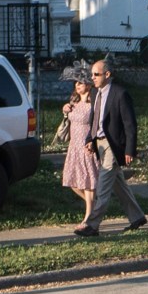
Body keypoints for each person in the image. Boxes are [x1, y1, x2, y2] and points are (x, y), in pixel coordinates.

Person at [77, 57, 146, 237]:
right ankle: (137, 216)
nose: (92, 78)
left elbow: (130, 125)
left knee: (103, 186)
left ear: (107, 74)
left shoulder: (119, 94)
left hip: (113, 146)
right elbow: (94, 120)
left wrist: (130, 150)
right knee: (118, 183)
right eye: (91, 74)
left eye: (96, 74)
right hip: (99, 143)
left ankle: (92, 225)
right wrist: (89, 139)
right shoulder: (95, 93)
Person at [58, 79, 102, 230]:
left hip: (86, 146)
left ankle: (88, 218)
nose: (77, 86)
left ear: (89, 86)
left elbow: (97, 124)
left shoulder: (94, 103)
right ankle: (95, 207)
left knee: (88, 182)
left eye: (81, 83)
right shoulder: (73, 102)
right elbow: (68, 120)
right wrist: (65, 111)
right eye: (76, 83)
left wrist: (93, 142)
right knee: (72, 181)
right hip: (74, 146)